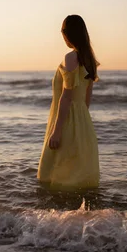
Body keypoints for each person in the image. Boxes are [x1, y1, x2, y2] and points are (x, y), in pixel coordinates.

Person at [37, 14, 100, 189]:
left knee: (56, 174)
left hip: (66, 120)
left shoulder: (71, 57)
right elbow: (87, 98)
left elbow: (67, 96)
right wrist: (81, 125)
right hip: (82, 121)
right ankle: (79, 213)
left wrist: (57, 131)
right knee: (77, 173)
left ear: (67, 34)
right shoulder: (89, 59)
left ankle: (57, 213)